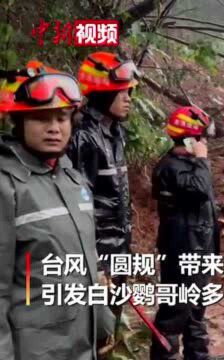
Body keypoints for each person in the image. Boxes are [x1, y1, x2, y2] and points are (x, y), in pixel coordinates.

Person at [0, 61, 107, 359]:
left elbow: (85, 263)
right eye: (41, 118)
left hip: (81, 344)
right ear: (19, 121)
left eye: (62, 117)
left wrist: (102, 322)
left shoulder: (73, 180)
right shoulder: (7, 186)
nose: (54, 128)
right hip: (35, 350)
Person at [67, 52, 139, 324]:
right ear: (101, 93)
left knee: (110, 325)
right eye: (122, 92)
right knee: (94, 327)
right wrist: (95, 264)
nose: (128, 98)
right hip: (97, 256)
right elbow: (78, 206)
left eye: (130, 91)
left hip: (119, 249)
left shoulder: (115, 132)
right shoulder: (83, 136)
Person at [151, 105, 221, 360]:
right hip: (182, 249)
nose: (205, 144)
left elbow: (199, 200)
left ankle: (198, 354)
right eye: (202, 138)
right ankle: (165, 357)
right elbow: (200, 189)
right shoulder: (171, 167)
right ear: (191, 139)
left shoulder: (187, 166)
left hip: (199, 246)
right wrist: (202, 159)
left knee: (196, 306)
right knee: (175, 308)